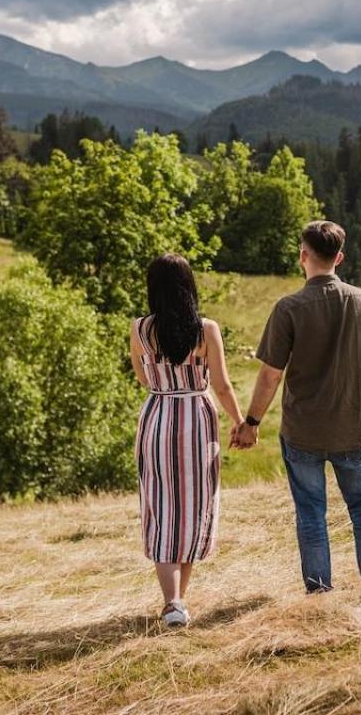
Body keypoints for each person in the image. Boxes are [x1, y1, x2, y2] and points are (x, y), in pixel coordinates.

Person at [232, 220, 361, 593]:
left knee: (310, 512)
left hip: (303, 431)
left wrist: (251, 422)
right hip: (353, 428)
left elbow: (271, 374)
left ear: (303, 256)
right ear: (339, 257)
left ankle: (320, 589)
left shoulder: (289, 308)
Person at [130, 253, 245, 628]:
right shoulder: (206, 329)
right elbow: (223, 385)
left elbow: (143, 379)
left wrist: (166, 387)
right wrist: (241, 422)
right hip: (197, 417)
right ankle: (180, 600)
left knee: (160, 505)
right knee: (195, 505)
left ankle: (172, 602)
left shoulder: (139, 330)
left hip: (158, 416)